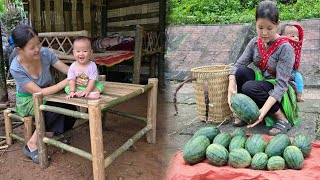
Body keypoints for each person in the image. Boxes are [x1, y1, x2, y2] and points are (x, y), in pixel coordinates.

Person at [227, 0, 299, 136]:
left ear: (278, 25)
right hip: (265, 83)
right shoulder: (254, 42)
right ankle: (246, 113)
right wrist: (231, 84)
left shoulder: (285, 48)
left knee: (249, 87)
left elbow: (281, 85)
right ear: (255, 24)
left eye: (269, 28)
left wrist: (263, 111)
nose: (264, 33)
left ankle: (281, 118)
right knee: (241, 72)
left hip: (283, 88)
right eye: (260, 28)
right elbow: (238, 65)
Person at [10, 24, 79, 163]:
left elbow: (68, 70)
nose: (38, 49)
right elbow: (38, 93)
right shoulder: (16, 68)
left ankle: (55, 134)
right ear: (19, 49)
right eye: (32, 47)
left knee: (71, 106)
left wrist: (84, 72)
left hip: (47, 95)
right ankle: (32, 144)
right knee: (54, 106)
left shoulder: (46, 54)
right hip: (28, 100)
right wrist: (66, 82)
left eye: (39, 44)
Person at [280, 23, 304, 102]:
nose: (296, 38)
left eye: (297, 36)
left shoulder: (296, 47)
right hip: (282, 70)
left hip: (293, 71)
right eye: (293, 36)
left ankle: (299, 96)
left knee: (299, 78)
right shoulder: (282, 45)